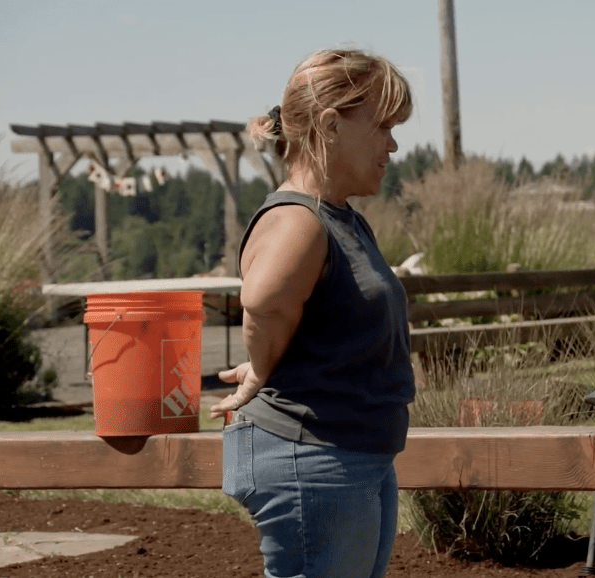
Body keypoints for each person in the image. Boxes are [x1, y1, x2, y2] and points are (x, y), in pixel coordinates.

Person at [209, 47, 415, 578]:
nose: (393, 144)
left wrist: (265, 360)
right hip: (314, 460)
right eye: (384, 126)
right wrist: (262, 361)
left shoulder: (340, 217)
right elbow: (262, 300)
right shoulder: (299, 221)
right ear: (330, 124)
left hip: (349, 456)